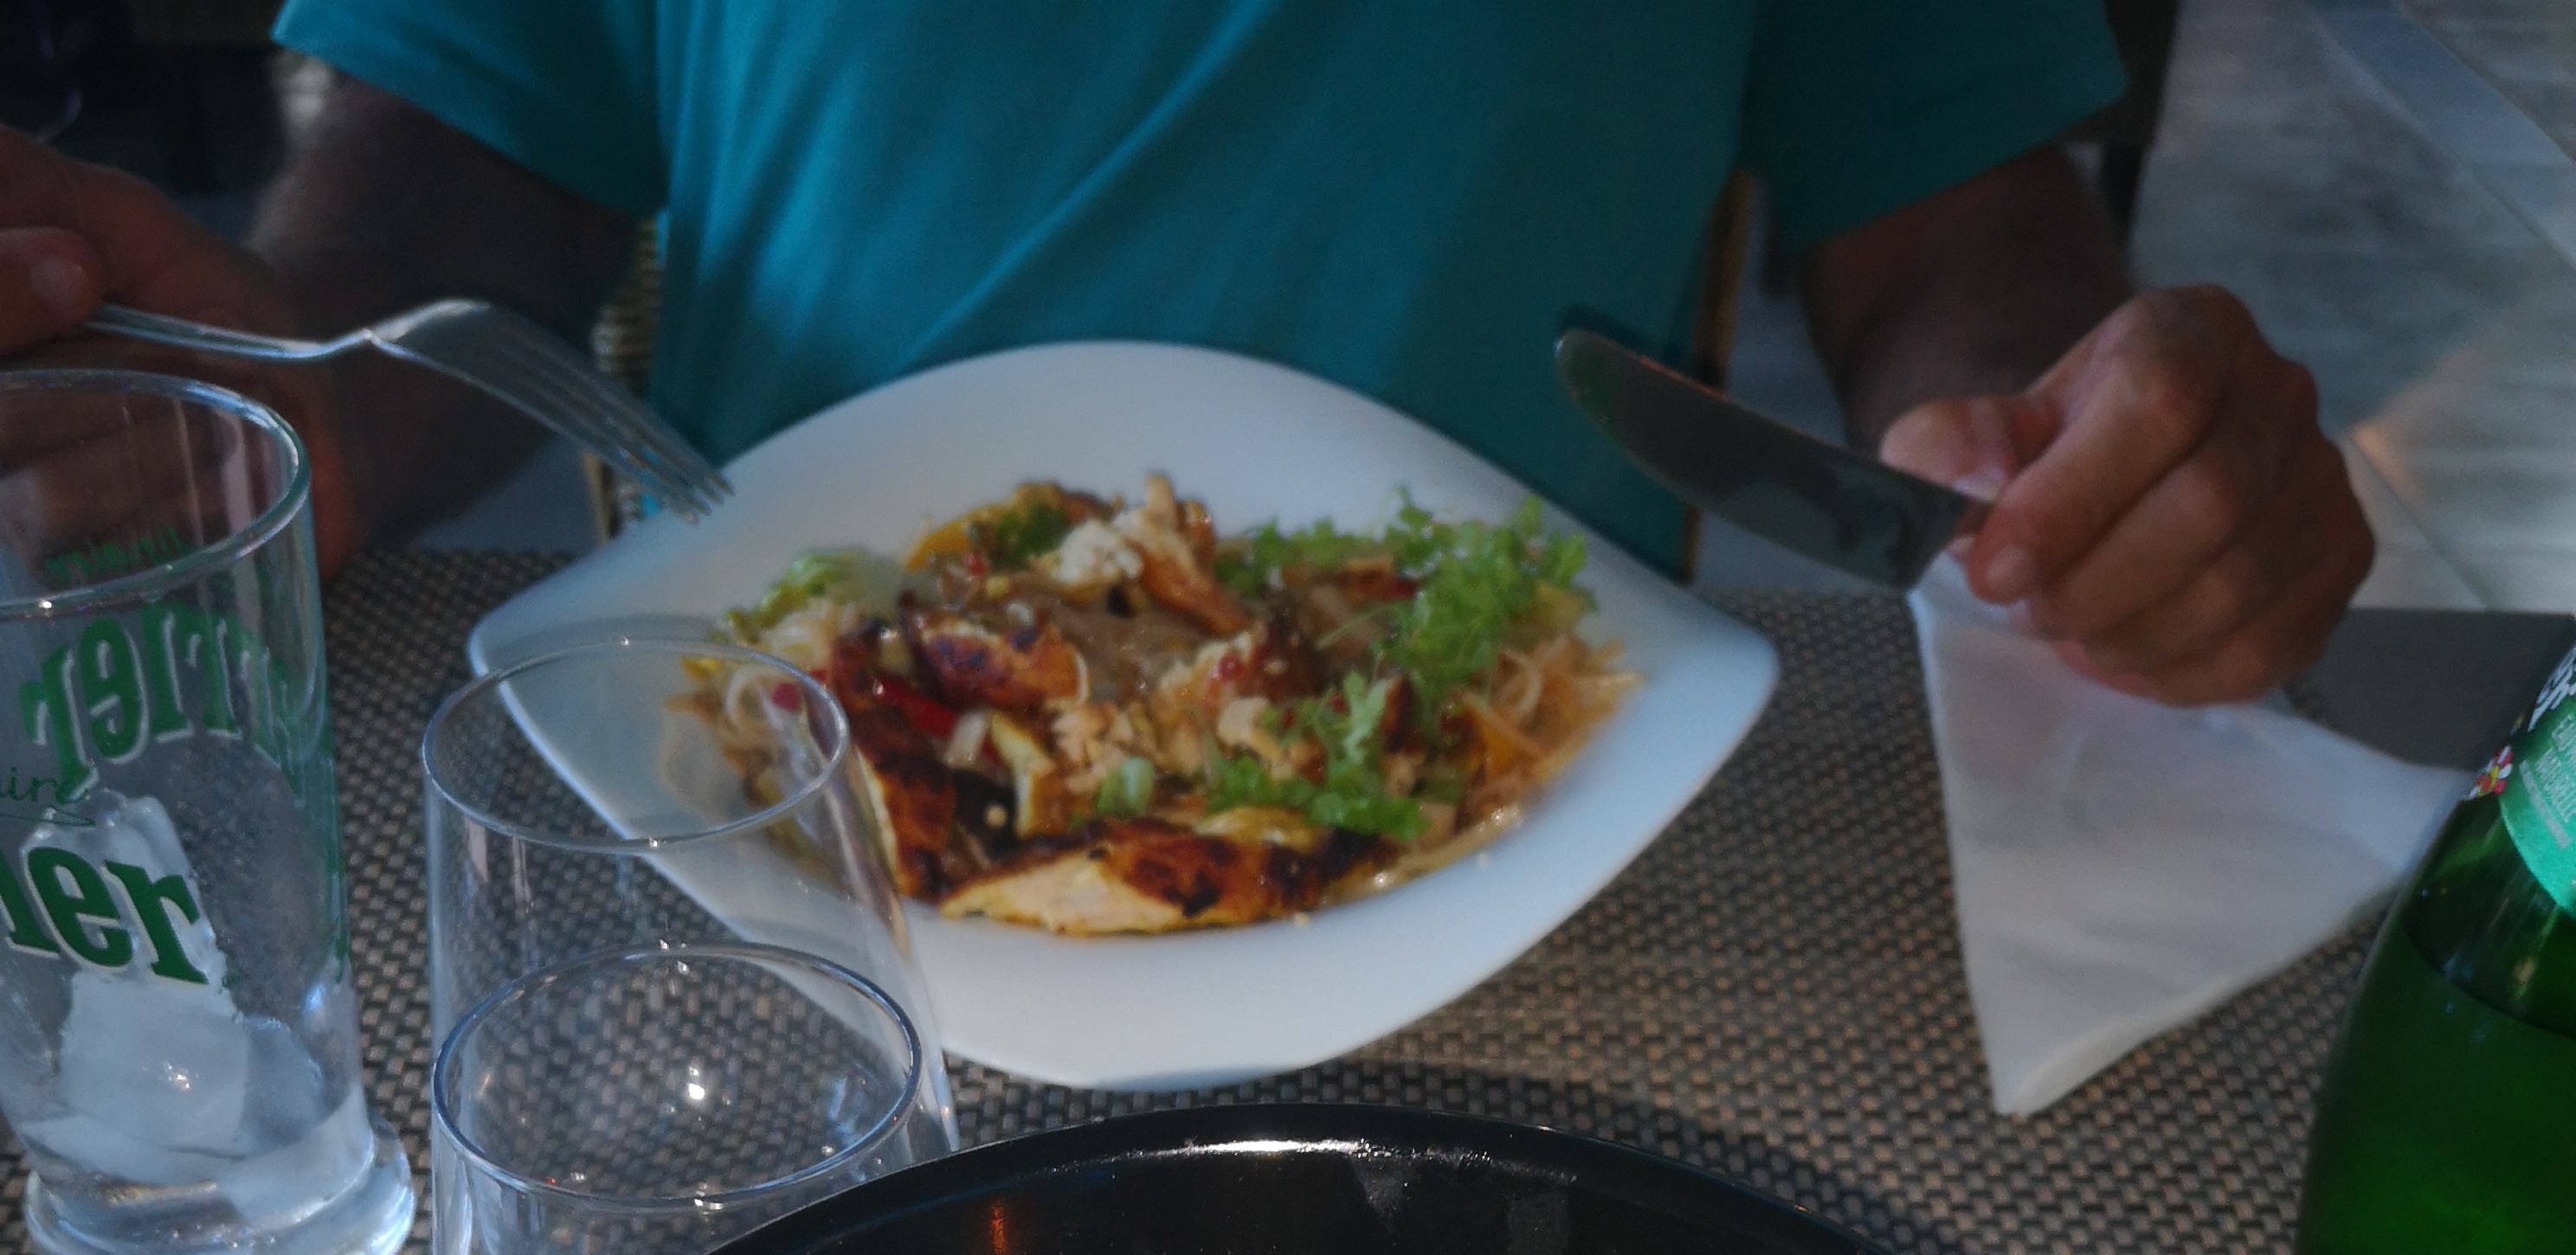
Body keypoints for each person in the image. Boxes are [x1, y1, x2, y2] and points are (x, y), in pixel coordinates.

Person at [0, 1, 2368, 706]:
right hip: (776, 781)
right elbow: (481, 137)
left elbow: (1951, 217)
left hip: (1533, 792)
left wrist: (2079, 451)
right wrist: (316, 389)